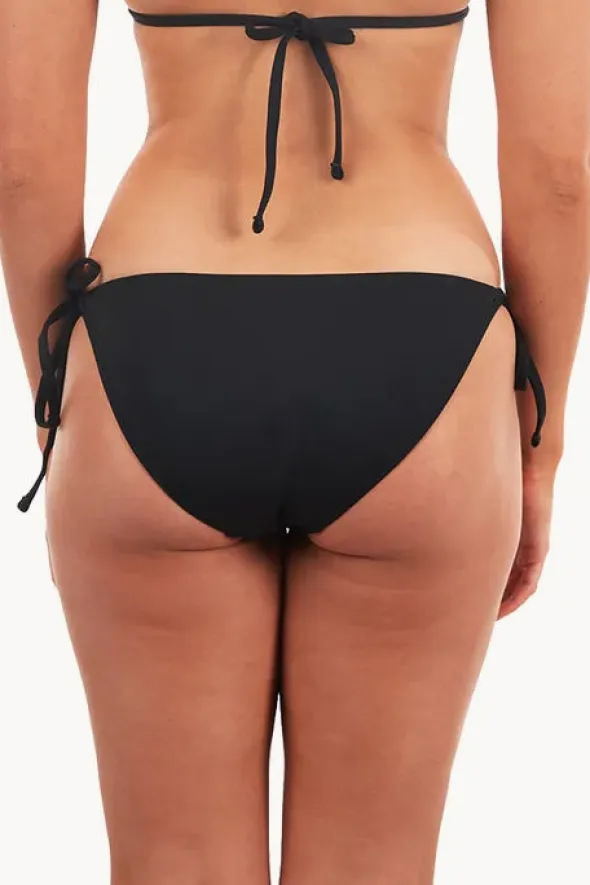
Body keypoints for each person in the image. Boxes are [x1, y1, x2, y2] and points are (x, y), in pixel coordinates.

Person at [1, 1, 588, 883]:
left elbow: (19, 162)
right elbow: (560, 174)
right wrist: (538, 447)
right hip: (424, 332)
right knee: (374, 862)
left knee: (173, 859)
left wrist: (59, 408)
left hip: (157, 335)